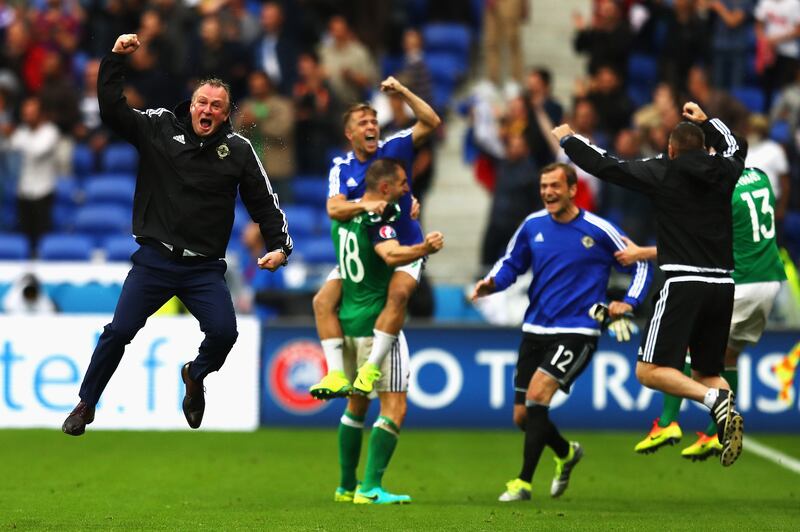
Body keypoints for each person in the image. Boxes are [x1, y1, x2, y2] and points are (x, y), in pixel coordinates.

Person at [61, 33, 292, 436]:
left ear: (225, 115)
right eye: (202, 102)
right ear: (193, 104)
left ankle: (195, 374)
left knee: (225, 332)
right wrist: (115, 59)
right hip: (154, 261)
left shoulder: (237, 149)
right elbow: (113, 111)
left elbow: (264, 202)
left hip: (203, 268)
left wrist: (279, 246)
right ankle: (85, 404)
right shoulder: (159, 126)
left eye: (216, 106)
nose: (207, 109)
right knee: (119, 332)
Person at [553, 101, 747, 467]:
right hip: (723, 285)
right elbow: (737, 146)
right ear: (705, 146)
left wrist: (570, 141)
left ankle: (713, 403)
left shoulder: (663, 170)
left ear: (672, 149)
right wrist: (709, 121)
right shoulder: (725, 169)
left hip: (683, 282)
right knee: (708, 372)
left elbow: (607, 165)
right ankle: (722, 410)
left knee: (649, 370)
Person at [471, 162, 652, 503]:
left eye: (555, 186)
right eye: (543, 187)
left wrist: (628, 302)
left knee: (539, 395)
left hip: (579, 329)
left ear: (572, 189)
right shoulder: (532, 225)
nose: (548, 193)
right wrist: (492, 283)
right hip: (536, 326)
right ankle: (566, 453)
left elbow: (641, 262)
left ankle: (523, 483)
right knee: (523, 415)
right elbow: (512, 263)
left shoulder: (598, 229)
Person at [619, 167, 786, 459]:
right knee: (728, 358)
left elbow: (689, 246)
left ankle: (668, 423)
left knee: (686, 350)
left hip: (741, 282)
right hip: (769, 280)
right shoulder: (759, 175)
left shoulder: (720, 191)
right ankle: (713, 433)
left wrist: (640, 253)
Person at [309, 75, 441, 399]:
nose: (371, 126)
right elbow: (333, 209)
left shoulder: (395, 148)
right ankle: (337, 374)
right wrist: (367, 204)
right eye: (362, 122)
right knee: (322, 301)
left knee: (398, 295)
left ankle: (371, 368)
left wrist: (403, 90)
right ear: (349, 133)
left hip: (403, 245)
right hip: (362, 258)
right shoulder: (342, 167)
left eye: (373, 120)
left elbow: (432, 121)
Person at [333, 158, 443, 505]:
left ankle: (346, 486)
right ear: (384, 188)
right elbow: (390, 254)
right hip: (378, 324)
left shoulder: (344, 219)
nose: (406, 188)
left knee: (356, 406)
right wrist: (424, 248)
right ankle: (370, 488)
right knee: (394, 407)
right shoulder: (376, 218)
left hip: (348, 320)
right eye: (401, 183)